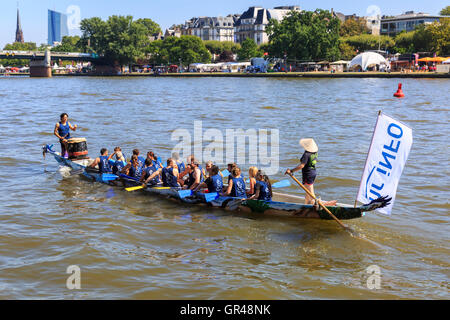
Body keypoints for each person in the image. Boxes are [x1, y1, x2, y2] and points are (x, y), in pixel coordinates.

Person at [285, 138, 318, 204]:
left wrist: (291, 171)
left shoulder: (306, 154)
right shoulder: (314, 153)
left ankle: (316, 205)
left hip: (308, 174)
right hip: (313, 172)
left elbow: (301, 166)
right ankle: (306, 204)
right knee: (307, 191)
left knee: (311, 193)